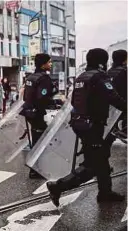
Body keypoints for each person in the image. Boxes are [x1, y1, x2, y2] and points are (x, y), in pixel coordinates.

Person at [46, 48, 127, 207]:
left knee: (102, 159)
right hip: (92, 126)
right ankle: (58, 186)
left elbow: (73, 101)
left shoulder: (81, 77)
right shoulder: (99, 77)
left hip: (81, 123)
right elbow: (114, 98)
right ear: (102, 62)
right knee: (92, 165)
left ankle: (105, 193)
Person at [20, 53, 63, 179]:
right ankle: (35, 169)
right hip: (38, 113)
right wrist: (56, 102)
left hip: (29, 112)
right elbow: (42, 98)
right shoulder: (43, 78)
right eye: (49, 62)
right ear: (43, 64)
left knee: (37, 140)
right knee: (41, 141)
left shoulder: (30, 77)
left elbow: (25, 97)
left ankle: (36, 168)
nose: (51, 64)